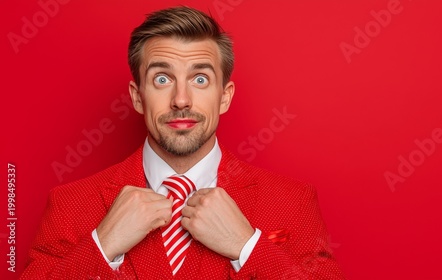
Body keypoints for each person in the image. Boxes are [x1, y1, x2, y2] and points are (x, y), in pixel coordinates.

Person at [21, 6, 345, 280]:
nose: (181, 100)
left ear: (224, 97)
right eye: (162, 79)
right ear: (137, 97)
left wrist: (247, 247)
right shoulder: (69, 205)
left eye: (200, 79)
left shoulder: (294, 202)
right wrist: (102, 246)